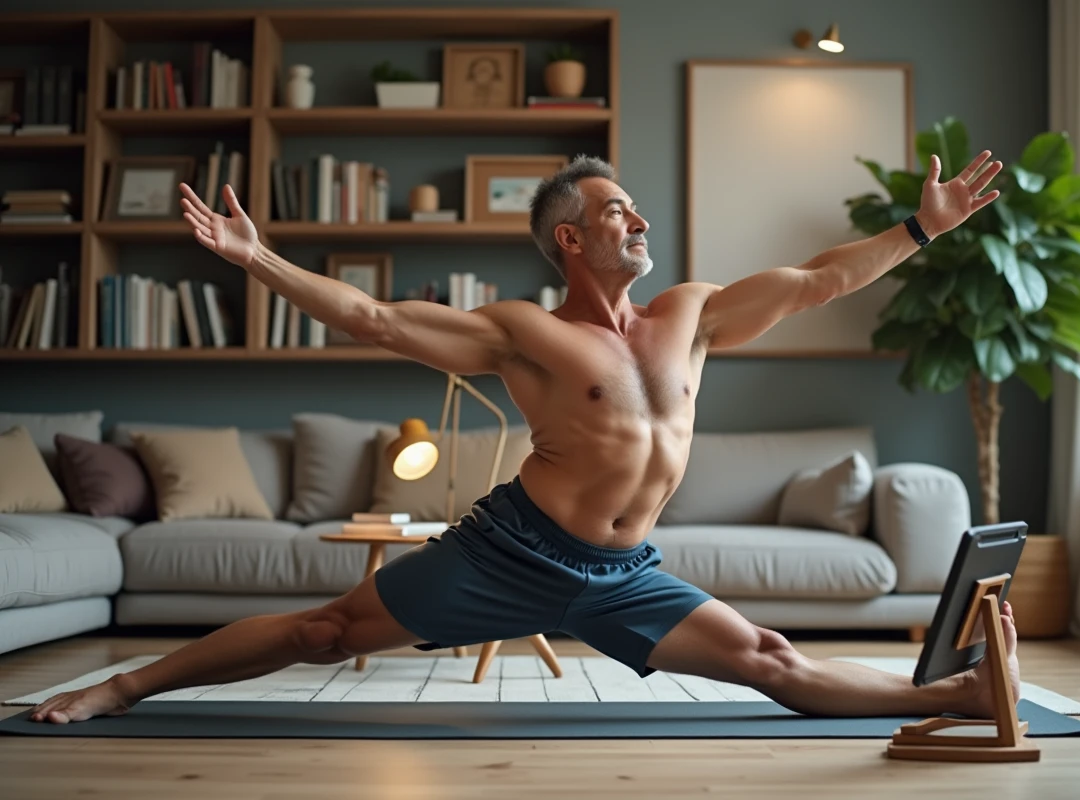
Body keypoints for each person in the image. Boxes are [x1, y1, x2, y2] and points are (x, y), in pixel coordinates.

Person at [30, 150, 1020, 725]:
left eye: (634, 203)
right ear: (569, 241)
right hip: (510, 551)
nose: (636, 215)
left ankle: (965, 694)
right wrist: (263, 260)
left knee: (768, 655)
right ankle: (123, 681)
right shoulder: (524, 332)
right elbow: (374, 318)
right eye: (611, 208)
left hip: (625, 571)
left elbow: (817, 281)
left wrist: (918, 231)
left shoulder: (694, 312)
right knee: (322, 631)